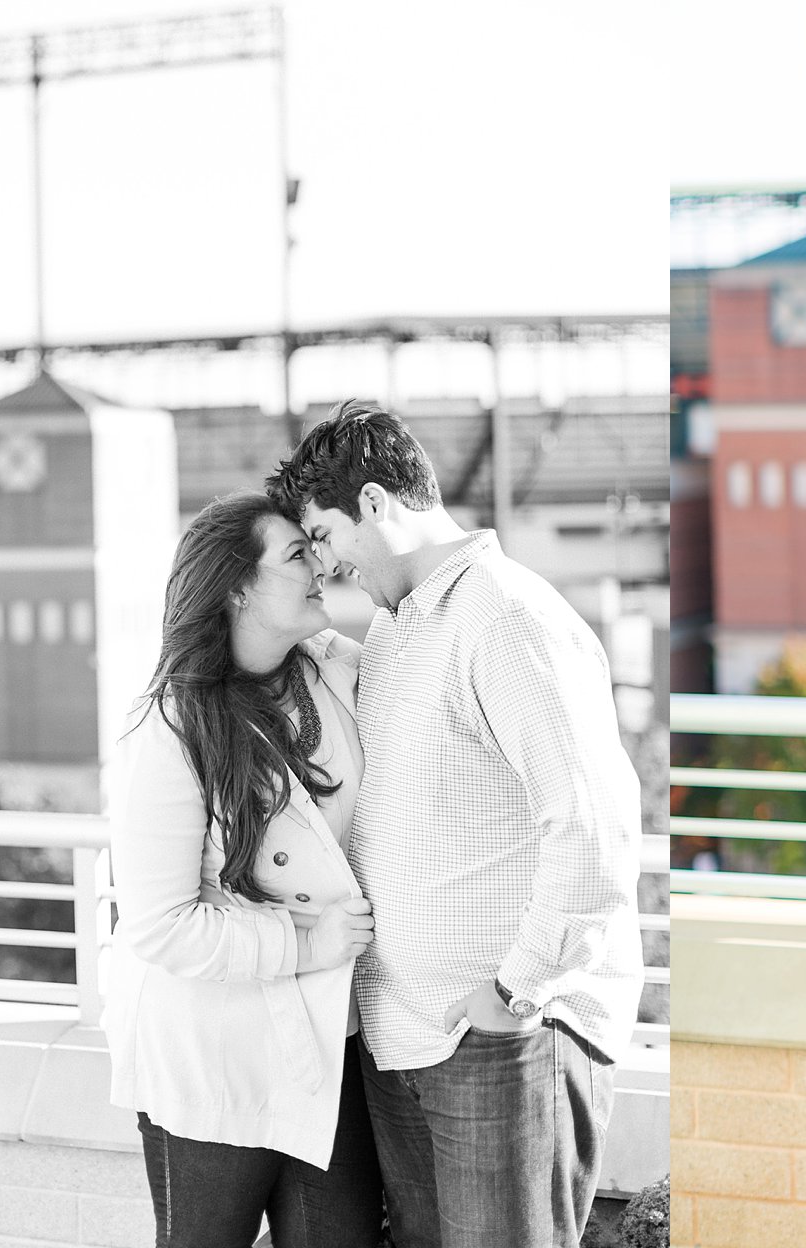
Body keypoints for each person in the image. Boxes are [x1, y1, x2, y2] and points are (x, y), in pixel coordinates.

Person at [268, 401, 643, 1248]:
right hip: (407, 1041)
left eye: (323, 537)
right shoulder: (398, 630)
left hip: (503, 1039)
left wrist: (513, 990)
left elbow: (595, 824)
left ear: (373, 503)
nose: (324, 566)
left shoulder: (506, 618)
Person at [104, 491, 384, 1247]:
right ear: (237, 587)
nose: (321, 564)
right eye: (297, 555)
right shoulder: (168, 727)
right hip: (213, 1049)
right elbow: (160, 927)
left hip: (331, 1038)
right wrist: (304, 944)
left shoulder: (337, 672)